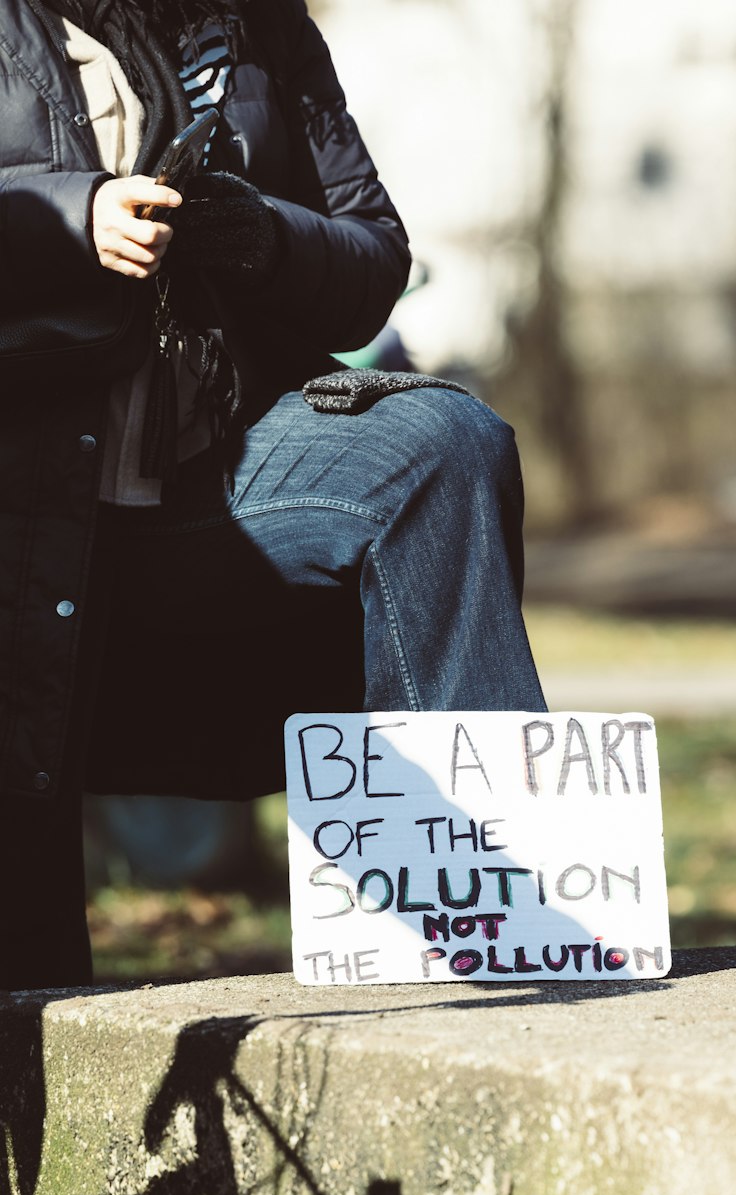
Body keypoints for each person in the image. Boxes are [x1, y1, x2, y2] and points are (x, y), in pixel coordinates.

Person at [0, 0, 546, 992]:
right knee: (30, 985)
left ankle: (490, 923)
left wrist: (265, 238)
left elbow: (374, 248)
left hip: (208, 486)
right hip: (22, 516)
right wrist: (70, 217)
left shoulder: (262, 25)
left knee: (438, 445)